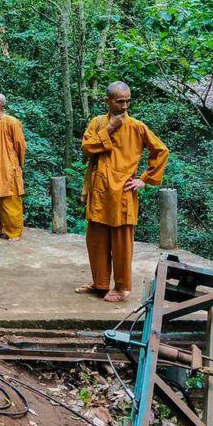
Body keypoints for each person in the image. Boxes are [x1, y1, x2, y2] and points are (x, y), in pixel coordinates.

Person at [77, 81, 169, 302]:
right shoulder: (97, 123)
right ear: (107, 101)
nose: (125, 106)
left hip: (122, 194)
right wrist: (108, 129)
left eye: (128, 101)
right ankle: (99, 283)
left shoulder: (136, 126)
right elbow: (87, 149)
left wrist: (144, 180)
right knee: (96, 240)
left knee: (121, 244)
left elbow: (161, 150)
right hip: (99, 191)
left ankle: (122, 287)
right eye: (120, 101)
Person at [0, 93, 26, 241]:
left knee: (9, 198)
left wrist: (16, 166)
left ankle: (13, 231)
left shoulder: (12, 122)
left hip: (8, 167)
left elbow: (20, 146)